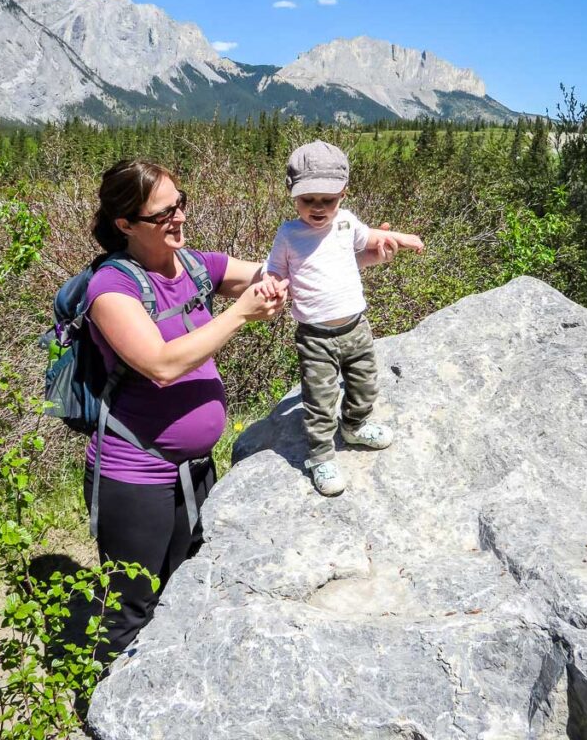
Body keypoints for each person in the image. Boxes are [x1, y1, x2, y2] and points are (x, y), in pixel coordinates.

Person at [83, 159, 287, 658]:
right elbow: (160, 364)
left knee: (186, 585)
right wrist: (240, 312)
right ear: (125, 225)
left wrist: (355, 246)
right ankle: (105, 707)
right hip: (133, 471)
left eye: (180, 204)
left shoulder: (195, 265)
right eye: (163, 214)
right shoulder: (111, 289)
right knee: (131, 604)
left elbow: (279, 273)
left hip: (194, 469)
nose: (179, 218)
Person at [261, 141, 424, 497]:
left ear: (343, 195)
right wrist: (272, 284)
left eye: (328, 200)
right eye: (309, 200)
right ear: (293, 196)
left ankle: (354, 424)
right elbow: (273, 269)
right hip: (315, 335)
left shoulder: (347, 223)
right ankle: (320, 456)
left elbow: (372, 240)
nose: (318, 208)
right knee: (319, 399)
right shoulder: (288, 234)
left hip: (357, 327)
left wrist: (398, 240)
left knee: (365, 383)